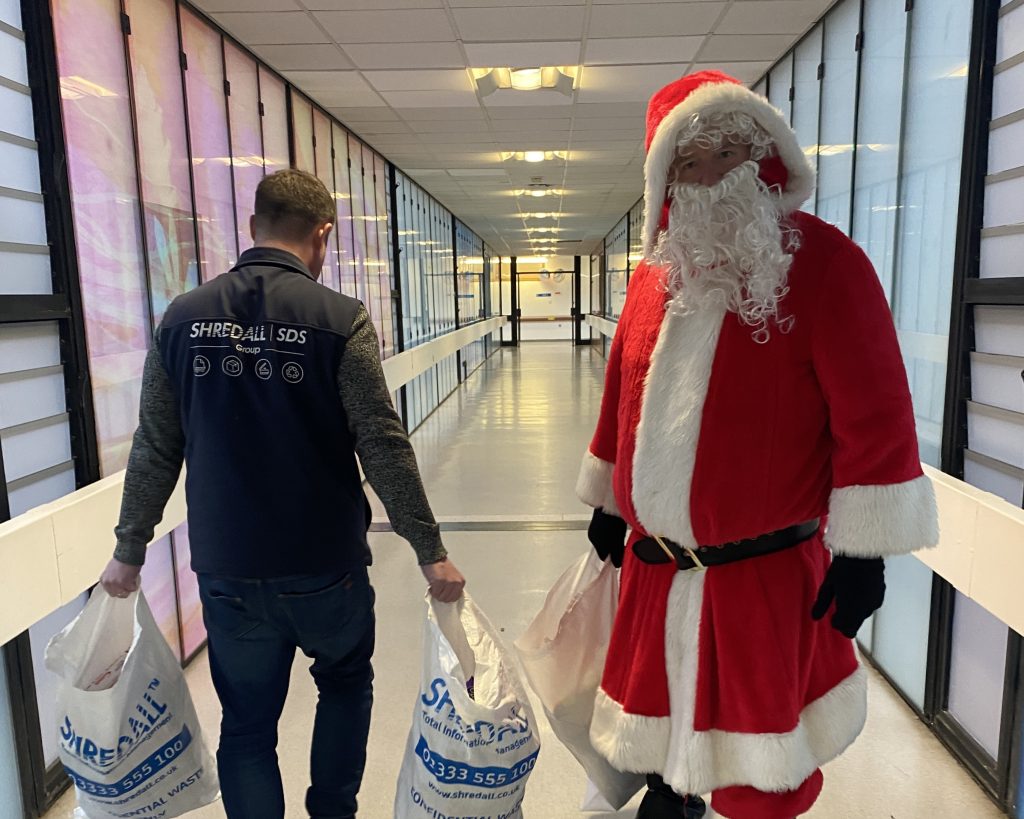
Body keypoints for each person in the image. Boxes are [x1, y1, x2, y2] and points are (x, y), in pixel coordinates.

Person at [576, 71, 939, 819]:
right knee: (660, 742)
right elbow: (624, 391)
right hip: (658, 573)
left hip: (764, 587)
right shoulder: (652, 280)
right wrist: (612, 501)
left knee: (761, 778)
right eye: (688, 160)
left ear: (763, 154)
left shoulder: (827, 266)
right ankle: (669, 797)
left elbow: (874, 415)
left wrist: (863, 548)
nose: (710, 175)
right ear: (664, 178)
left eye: (727, 151)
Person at [99, 169, 465, 819]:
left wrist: (129, 550)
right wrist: (428, 549)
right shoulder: (338, 320)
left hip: (228, 564)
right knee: (345, 685)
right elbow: (381, 443)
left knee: (245, 725)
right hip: (325, 562)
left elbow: (156, 445)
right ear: (323, 234)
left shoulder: (182, 320)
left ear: (252, 228)